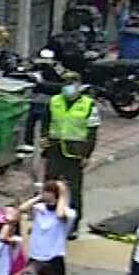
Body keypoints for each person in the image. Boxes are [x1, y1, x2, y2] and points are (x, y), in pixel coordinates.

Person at [42, 78, 99, 222]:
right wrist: (44, 137)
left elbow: (92, 131)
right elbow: (46, 120)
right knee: (50, 185)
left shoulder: (88, 104)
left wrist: (87, 154)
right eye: (66, 84)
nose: (68, 88)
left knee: (73, 190)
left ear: (78, 87)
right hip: (55, 149)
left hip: (75, 152)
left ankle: (72, 223)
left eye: (71, 85)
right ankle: (46, 217)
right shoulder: (55, 101)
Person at [24, 178, 77, 275]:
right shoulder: (39, 208)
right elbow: (21, 209)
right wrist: (38, 198)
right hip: (35, 258)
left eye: (50, 192)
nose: (46, 195)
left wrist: (63, 193)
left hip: (53, 260)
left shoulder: (69, 214)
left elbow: (59, 214)